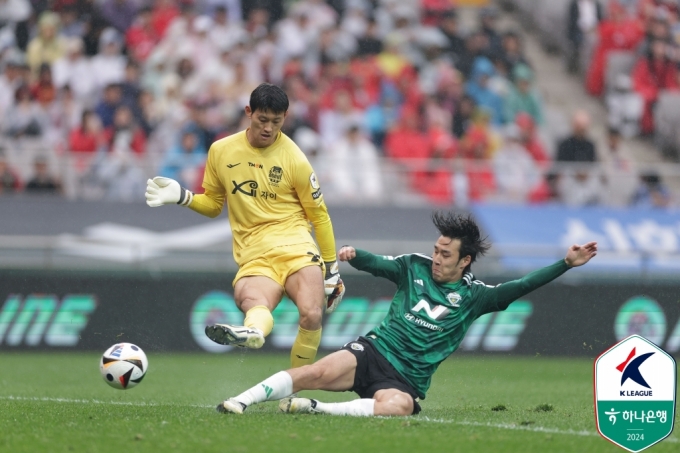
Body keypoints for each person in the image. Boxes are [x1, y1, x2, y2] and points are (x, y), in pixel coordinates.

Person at [215, 212, 598, 416]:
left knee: (398, 407)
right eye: (435, 249)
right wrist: (353, 255)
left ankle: (317, 410)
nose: (436, 258)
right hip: (373, 352)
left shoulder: (476, 297)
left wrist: (564, 263)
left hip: (406, 380)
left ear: (465, 261)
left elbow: (520, 287)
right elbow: (379, 264)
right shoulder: (413, 266)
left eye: (445, 254)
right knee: (313, 372)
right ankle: (240, 401)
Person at [145, 83, 344, 369]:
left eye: (276, 122)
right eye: (263, 120)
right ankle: (253, 332)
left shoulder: (295, 159)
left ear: (284, 119)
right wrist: (183, 197)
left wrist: (332, 270)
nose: (268, 128)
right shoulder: (221, 151)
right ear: (248, 112)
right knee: (251, 299)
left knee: (311, 313)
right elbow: (214, 205)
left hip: (296, 246)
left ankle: (293, 387)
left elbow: (320, 216)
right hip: (254, 253)